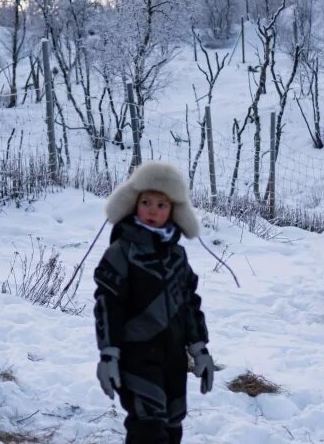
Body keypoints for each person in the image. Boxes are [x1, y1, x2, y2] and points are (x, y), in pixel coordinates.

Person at [93, 161, 215, 444]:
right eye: (146, 201)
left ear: (174, 211)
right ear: (133, 202)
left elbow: (189, 304)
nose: (152, 210)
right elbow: (107, 305)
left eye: (162, 205)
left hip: (173, 358)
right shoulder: (122, 252)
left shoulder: (177, 256)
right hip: (135, 356)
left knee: (172, 426)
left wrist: (200, 349)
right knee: (147, 427)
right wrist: (108, 354)